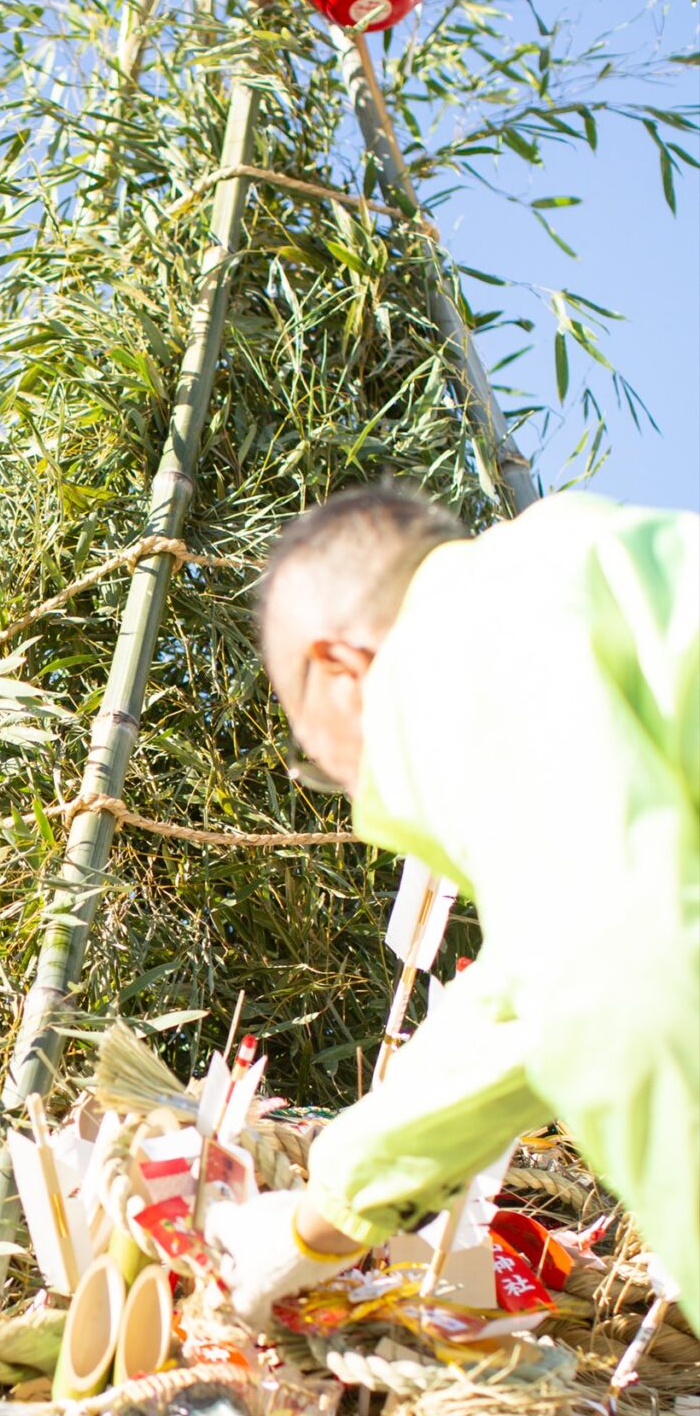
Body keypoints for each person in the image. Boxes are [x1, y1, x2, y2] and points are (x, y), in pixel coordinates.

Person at [206, 480, 698, 1331]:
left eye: (307, 750)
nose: (335, 779)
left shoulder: (455, 651)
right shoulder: (577, 593)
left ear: (338, 668)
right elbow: (521, 1007)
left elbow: (621, 984)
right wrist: (321, 1218)